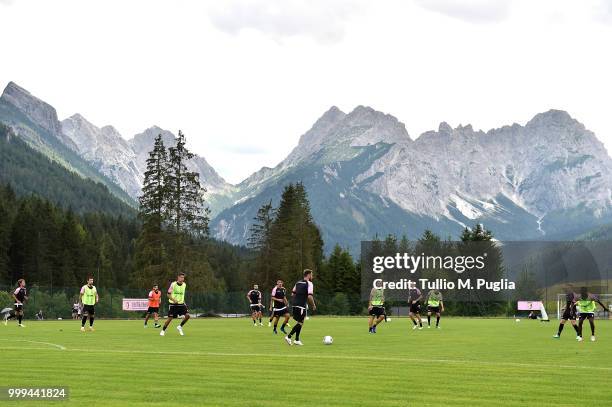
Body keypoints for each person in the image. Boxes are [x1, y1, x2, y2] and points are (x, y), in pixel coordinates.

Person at [285, 269, 316, 346]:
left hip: (295, 304)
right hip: (301, 305)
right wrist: (313, 305)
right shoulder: (309, 283)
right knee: (300, 322)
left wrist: (298, 298)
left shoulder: (298, 283)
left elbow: (293, 294)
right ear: (308, 275)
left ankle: (297, 340)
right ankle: (289, 337)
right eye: (311, 275)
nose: (312, 276)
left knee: (300, 321)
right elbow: (309, 296)